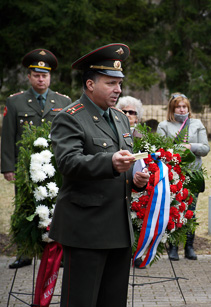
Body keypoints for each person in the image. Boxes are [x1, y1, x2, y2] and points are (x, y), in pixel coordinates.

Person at [48, 43, 150, 307]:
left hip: (118, 229)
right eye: (110, 83)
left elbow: (123, 164)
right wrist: (111, 163)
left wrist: (137, 180)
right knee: (80, 301)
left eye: (119, 83)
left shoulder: (120, 118)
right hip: (87, 229)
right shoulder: (70, 117)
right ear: (90, 84)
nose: (118, 89)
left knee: (113, 301)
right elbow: (68, 163)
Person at [1, 49, 72, 269]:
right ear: (29, 77)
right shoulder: (15, 102)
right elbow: (8, 137)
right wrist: (7, 167)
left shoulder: (63, 101)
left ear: (50, 77)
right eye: (36, 75)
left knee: (56, 205)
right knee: (25, 207)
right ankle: (25, 252)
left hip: (55, 166)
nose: (41, 79)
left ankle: (57, 250)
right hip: (25, 166)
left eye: (45, 75)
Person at [157, 93, 210, 261]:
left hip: (193, 174)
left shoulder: (196, 124)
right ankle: (173, 247)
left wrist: (190, 146)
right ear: (172, 108)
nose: (182, 109)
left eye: (184, 106)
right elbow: (161, 150)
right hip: (173, 175)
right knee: (173, 211)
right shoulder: (164, 125)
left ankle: (189, 247)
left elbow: (205, 148)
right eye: (178, 106)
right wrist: (177, 150)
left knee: (190, 212)